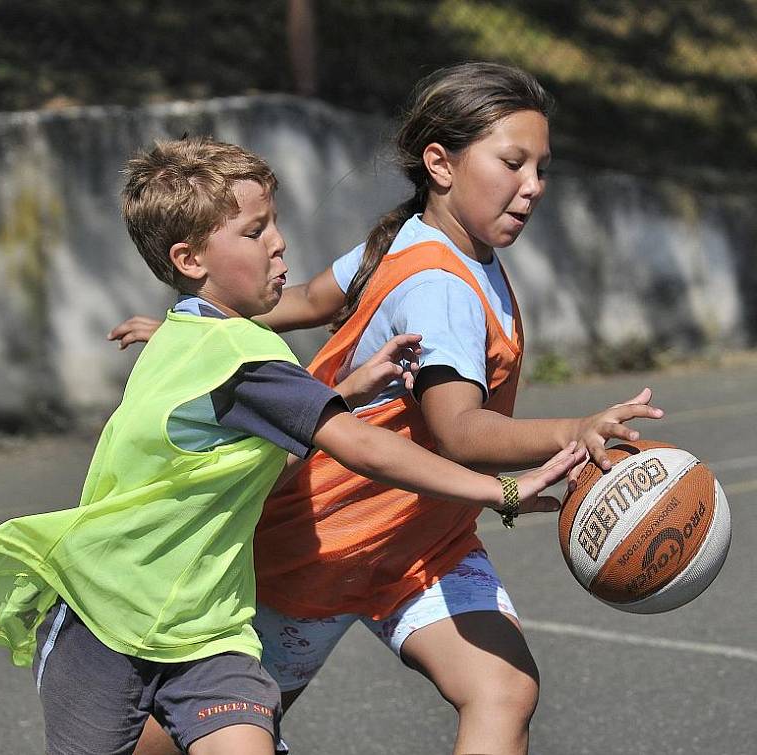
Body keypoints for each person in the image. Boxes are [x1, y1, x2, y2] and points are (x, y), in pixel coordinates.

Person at [111, 64, 664, 755]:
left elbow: (309, 297)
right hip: (324, 543)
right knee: (192, 731)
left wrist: (193, 322)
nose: (534, 186)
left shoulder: (411, 240)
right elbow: (459, 429)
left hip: (423, 545)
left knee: (503, 689)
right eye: (513, 163)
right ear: (441, 162)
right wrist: (574, 431)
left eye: (542, 168)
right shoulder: (439, 285)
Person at [0, 136, 584, 755]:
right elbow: (360, 447)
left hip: (210, 630)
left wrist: (339, 388)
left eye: (274, 224)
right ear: (190, 259)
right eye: (255, 231)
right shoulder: (239, 356)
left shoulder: (202, 342)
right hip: (108, 618)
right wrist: (498, 488)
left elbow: (273, 440)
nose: (279, 242)